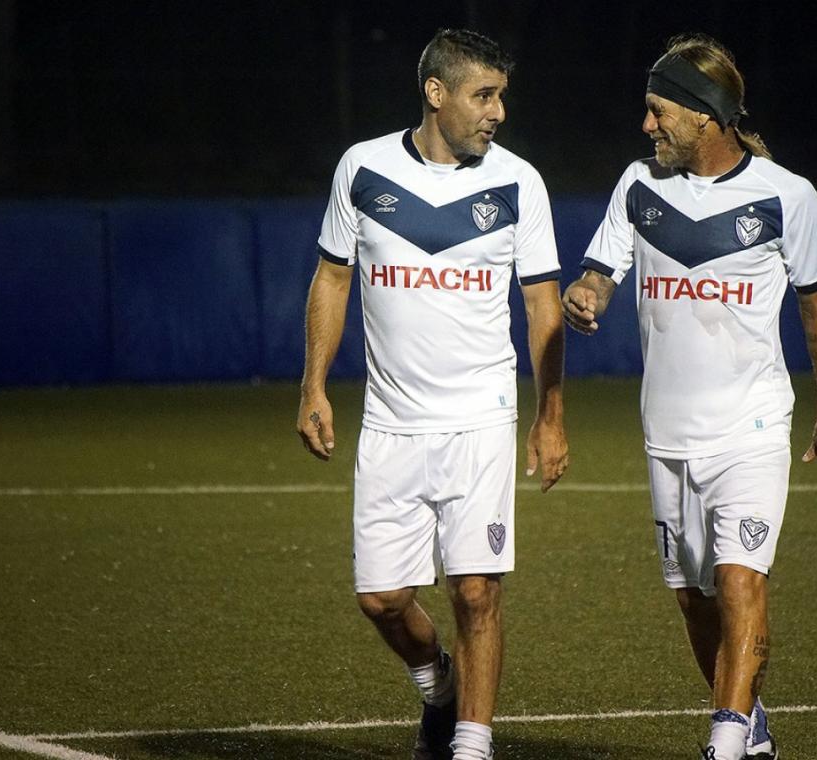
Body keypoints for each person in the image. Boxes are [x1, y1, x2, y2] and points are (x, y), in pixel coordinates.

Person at [562, 33, 817, 760]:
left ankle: (724, 742)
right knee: (694, 600)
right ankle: (750, 726)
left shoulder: (788, 197)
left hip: (752, 425)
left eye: (658, 111)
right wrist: (586, 294)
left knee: (738, 580)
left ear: (705, 116)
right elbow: (602, 269)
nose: (647, 126)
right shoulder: (639, 187)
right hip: (666, 434)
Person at [297, 28, 568, 760]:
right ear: (436, 93)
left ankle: (471, 746)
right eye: (484, 95)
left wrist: (549, 417)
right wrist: (313, 386)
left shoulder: (519, 182)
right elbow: (333, 278)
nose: (498, 111)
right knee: (381, 601)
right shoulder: (363, 169)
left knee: (476, 592)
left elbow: (543, 307)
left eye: (502, 95)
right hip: (390, 425)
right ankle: (438, 689)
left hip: (480, 419)